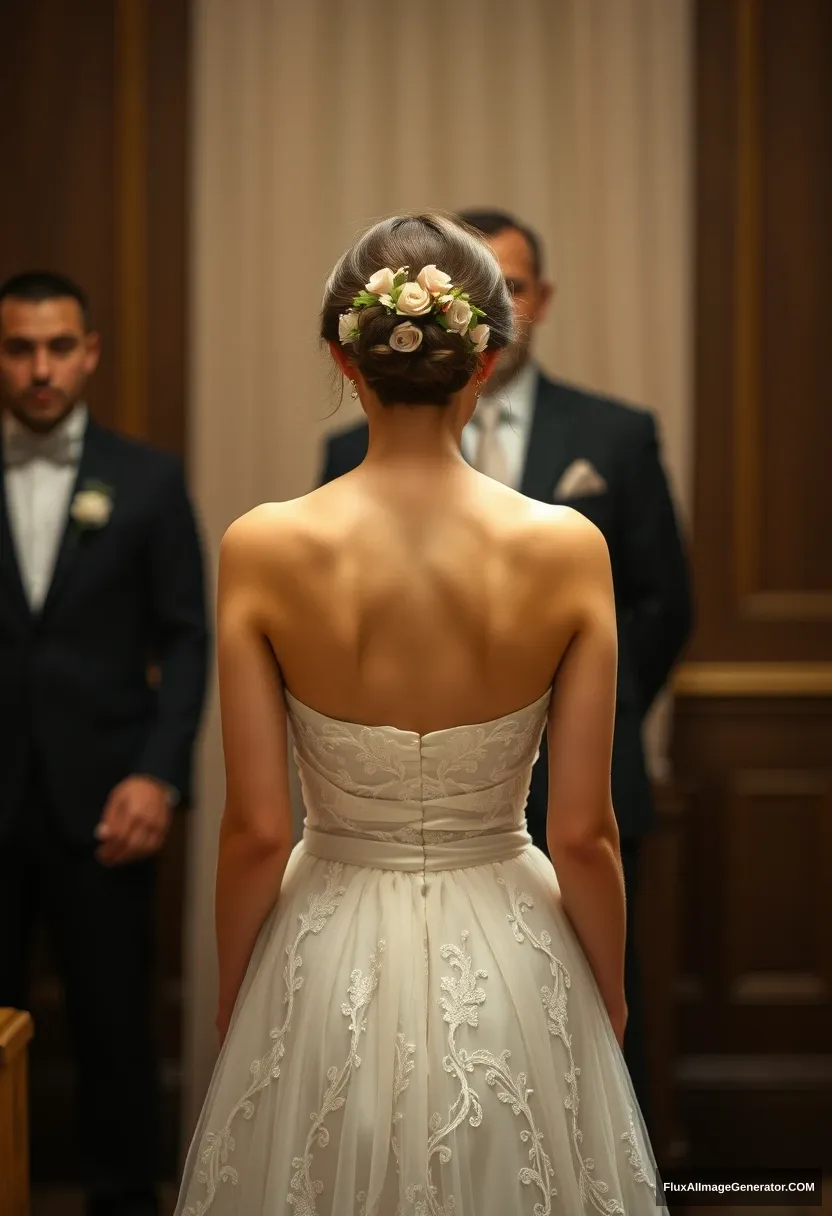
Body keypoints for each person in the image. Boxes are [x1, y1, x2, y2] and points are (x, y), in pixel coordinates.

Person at [176, 213, 667, 1215]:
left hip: (323, 948)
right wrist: (606, 990)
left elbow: (258, 828)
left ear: (342, 358)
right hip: (513, 943)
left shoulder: (263, 546)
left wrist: (238, 987)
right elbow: (581, 831)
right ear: (486, 357)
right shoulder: (567, 546)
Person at [319, 208, 692, 1115]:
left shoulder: (615, 433)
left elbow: (666, 603)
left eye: (519, 284)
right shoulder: (339, 465)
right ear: (480, 340)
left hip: (551, 789)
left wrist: (569, 711)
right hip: (413, 830)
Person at [0, 271, 209, 1216]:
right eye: (18, 348)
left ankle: (123, 1201)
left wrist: (158, 777)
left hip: (108, 801)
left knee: (114, 1029)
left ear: (89, 352)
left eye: (56, 347)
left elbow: (189, 636)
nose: (39, 369)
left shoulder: (150, 478)